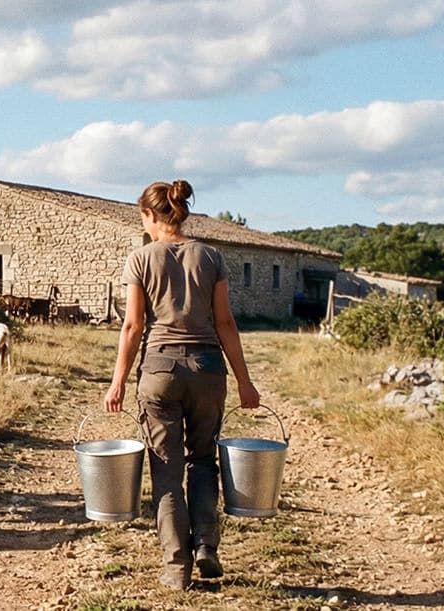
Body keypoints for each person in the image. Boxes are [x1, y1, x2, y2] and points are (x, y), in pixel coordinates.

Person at [103, 179, 261, 590]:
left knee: (167, 472)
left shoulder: (140, 258)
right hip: (209, 369)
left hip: (159, 373)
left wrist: (117, 381)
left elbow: (134, 326)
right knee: (203, 459)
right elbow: (225, 323)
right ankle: (207, 544)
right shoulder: (211, 256)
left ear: (151, 215)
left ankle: (177, 567)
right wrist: (245, 382)